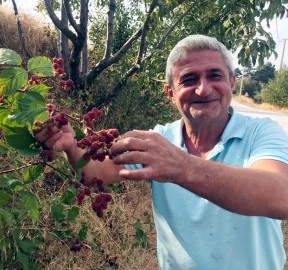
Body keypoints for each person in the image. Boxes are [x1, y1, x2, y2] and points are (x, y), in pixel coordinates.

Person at [36, 34, 288, 269]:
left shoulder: (261, 132)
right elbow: (95, 173)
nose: (203, 89)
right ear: (171, 93)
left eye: (215, 76)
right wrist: (70, 145)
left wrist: (180, 166)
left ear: (232, 82)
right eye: (189, 80)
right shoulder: (159, 139)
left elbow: (281, 196)